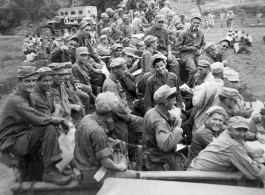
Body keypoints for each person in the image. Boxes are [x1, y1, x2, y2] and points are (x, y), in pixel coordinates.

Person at [0, 66, 72, 185]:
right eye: (27, 81)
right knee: (48, 128)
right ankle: (50, 172)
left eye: (33, 80)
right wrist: (59, 120)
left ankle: (46, 170)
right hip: (12, 142)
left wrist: (55, 119)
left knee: (35, 173)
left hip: (21, 135)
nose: (31, 84)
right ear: (19, 82)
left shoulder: (26, 96)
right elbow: (38, 119)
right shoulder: (17, 100)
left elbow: (37, 117)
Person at [74, 92, 136, 187]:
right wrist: (120, 167)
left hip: (82, 167)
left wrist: (110, 141)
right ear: (110, 113)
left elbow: (89, 142)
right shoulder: (98, 131)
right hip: (92, 174)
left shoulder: (86, 119)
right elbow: (106, 163)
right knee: (131, 175)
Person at [188, 116, 265, 181]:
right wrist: (260, 164)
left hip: (200, 172)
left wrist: (258, 160)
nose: (242, 134)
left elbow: (252, 153)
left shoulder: (230, 135)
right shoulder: (231, 145)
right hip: (196, 178)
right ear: (230, 129)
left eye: (244, 130)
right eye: (238, 130)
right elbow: (257, 174)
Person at [102, 58, 143, 152]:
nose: (126, 71)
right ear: (115, 69)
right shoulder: (110, 84)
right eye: (123, 69)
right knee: (120, 145)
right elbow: (117, 107)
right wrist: (129, 116)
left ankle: (133, 154)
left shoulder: (115, 81)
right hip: (117, 120)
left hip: (121, 117)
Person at [143, 85, 183, 171]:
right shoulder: (159, 121)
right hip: (160, 163)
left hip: (151, 158)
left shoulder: (151, 112)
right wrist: (177, 130)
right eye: (173, 100)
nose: (175, 103)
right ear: (165, 103)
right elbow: (164, 146)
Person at [192, 62, 224, 133]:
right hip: (220, 121)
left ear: (211, 72)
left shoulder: (205, 86)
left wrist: (196, 91)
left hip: (203, 120)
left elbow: (196, 103)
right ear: (222, 73)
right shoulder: (225, 87)